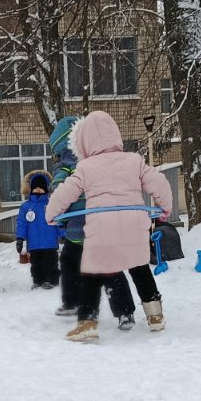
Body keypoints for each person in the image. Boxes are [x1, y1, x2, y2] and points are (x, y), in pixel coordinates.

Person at [45, 111, 174, 342]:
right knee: (140, 269)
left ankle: (87, 324)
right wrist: (165, 208)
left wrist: (52, 214)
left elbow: (65, 192)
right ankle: (155, 316)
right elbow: (159, 183)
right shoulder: (134, 160)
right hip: (134, 227)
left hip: (101, 230)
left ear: (84, 141)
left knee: (92, 275)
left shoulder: (85, 167)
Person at [48, 116, 137, 325]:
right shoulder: (97, 161)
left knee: (70, 263)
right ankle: (125, 312)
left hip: (78, 230)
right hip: (102, 226)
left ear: (60, 147)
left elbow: (60, 191)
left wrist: (56, 213)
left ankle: (73, 301)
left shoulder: (66, 166)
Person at [15, 170, 62, 290]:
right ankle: (38, 280)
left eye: (41, 187)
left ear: (46, 188)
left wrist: (63, 234)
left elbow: (59, 220)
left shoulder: (52, 204)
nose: (38, 189)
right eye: (35, 187)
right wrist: (20, 238)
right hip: (34, 244)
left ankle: (52, 280)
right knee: (36, 264)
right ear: (30, 188)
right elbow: (22, 224)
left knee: (50, 263)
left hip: (50, 243)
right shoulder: (26, 207)